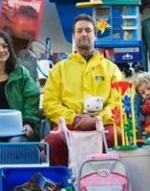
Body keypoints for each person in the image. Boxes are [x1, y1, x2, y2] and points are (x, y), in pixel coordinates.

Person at [42, 14, 123, 166]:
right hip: (69, 124)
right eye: (79, 31)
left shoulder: (111, 69)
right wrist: (75, 118)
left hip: (103, 123)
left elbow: (118, 103)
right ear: (73, 35)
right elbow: (50, 104)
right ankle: (63, 185)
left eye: (88, 30)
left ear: (95, 35)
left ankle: (110, 182)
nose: (84, 34)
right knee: (53, 142)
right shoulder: (59, 69)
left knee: (117, 137)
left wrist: (97, 119)